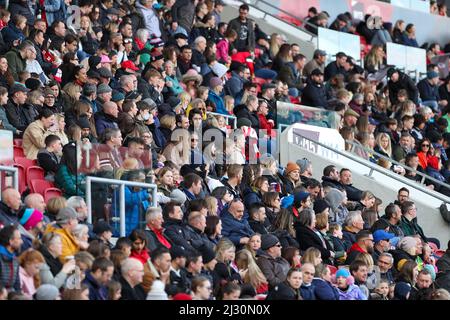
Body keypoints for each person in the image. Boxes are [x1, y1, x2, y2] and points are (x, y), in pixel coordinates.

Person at [0, 225, 23, 292]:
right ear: (11, 241)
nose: (22, 242)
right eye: (19, 238)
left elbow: (17, 283)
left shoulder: (15, 258)